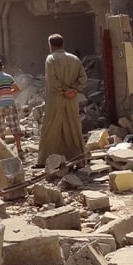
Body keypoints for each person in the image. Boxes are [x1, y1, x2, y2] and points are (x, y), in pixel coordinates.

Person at [37, 33, 88, 166]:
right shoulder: (75, 59)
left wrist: (64, 91)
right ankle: (78, 157)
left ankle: (45, 160)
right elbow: (83, 78)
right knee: (73, 127)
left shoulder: (51, 59)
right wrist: (74, 90)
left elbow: (52, 81)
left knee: (50, 128)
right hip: (72, 99)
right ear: (63, 44)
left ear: (50, 45)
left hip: (55, 100)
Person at [0, 57, 24, 157]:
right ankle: (19, 149)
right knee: (14, 126)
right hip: (9, 104)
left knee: (0, 127)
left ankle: (4, 150)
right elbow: (16, 89)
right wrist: (8, 91)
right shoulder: (9, 77)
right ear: (2, 67)